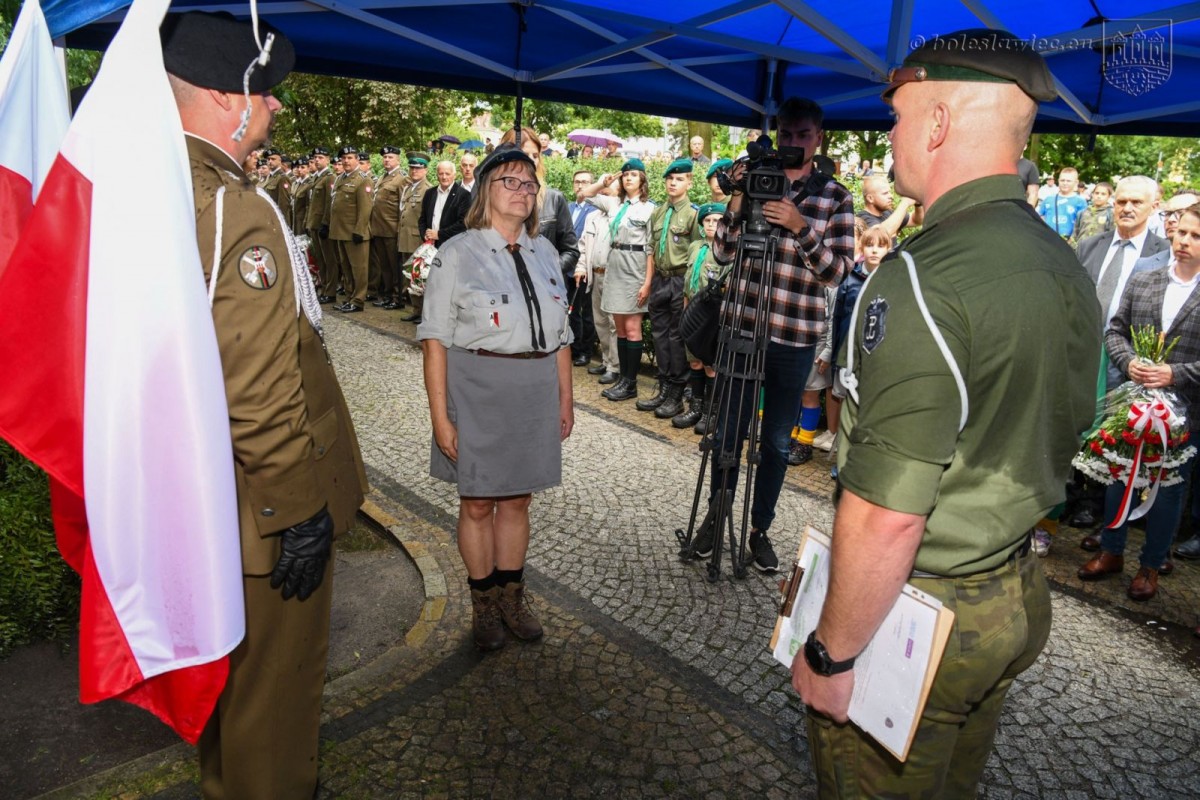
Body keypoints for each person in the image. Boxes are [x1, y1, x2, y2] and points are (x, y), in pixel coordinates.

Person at [791, 30, 1099, 798]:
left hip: (922, 612)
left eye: (897, 115)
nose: (888, 133)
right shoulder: (1062, 260)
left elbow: (888, 510)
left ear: (935, 123)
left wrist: (832, 653)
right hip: (1012, 595)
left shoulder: (926, 277)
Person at [162, 12, 367, 799]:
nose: (276, 108)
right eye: (267, 93)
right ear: (227, 95)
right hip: (258, 512)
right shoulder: (231, 209)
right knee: (273, 709)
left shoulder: (156, 185)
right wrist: (297, 510)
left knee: (230, 702)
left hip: (201, 488)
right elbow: (257, 381)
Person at [417, 144, 573, 651]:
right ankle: (483, 603)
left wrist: (565, 401)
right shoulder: (456, 254)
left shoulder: (545, 252)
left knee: (518, 499)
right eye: (511, 181)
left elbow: (563, 337)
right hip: (477, 388)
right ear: (486, 190)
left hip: (534, 391)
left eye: (530, 184)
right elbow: (435, 340)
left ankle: (512, 596)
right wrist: (441, 417)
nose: (524, 191)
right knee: (479, 502)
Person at [695, 96, 854, 572]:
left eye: (803, 136)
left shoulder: (835, 197)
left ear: (818, 137)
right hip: (742, 326)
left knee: (777, 443)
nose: (792, 144)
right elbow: (721, 252)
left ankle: (759, 529)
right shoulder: (757, 181)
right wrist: (741, 197)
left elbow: (837, 275)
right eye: (786, 134)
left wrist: (802, 227)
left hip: (795, 337)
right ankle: (715, 517)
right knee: (728, 432)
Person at [1078, 204, 1200, 600]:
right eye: (1181, 232)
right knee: (1121, 477)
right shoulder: (1144, 280)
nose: (1183, 241)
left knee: (1168, 491)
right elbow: (1115, 331)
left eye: (1195, 236)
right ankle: (1112, 551)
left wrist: (1175, 375)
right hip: (1135, 403)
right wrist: (1129, 363)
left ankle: (1150, 565)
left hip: (1185, 412)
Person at [501, 127, 583, 366]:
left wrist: (547, 270)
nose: (530, 160)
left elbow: (571, 250)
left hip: (546, 296)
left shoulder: (554, 199)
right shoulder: (493, 201)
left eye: (535, 155)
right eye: (523, 154)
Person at [577, 160, 656, 401]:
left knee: (632, 329)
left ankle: (631, 383)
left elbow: (651, 249)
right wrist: (604, 182)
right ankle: (623, 379)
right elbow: (583, 195)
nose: (628, 178)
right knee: (620, 329)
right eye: (626, 175)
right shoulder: (614, 203)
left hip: (635, 268)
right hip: (615, 267)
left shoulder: (649, 209)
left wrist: (647, 283)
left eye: (634, 175)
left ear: (642, 180)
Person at [639, 158, 703, 420]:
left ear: (689, 182)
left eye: (679, 179)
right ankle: (664, 387)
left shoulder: (694, 214)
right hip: (660, 280)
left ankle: (677, 393)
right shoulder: (658, 212)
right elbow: (651, 250)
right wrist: (647, 282)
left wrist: (690, 291)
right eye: (669, 179)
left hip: (680, 281)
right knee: (659, 335)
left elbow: (699, 254)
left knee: (677, 338)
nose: (673, 183)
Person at [672, 202, 726, 431]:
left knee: (709, 364)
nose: (712, 224)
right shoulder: (695, 246)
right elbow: (687, 282)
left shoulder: (726, 252)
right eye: (708, 220)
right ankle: (695, 407)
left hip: (711, 317)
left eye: (717, 220)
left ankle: (710, 413)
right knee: (694, 361)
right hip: (692, 313)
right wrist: (685, 312)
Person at [328, 145, 372, 312]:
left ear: (357, 160)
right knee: (346, 267)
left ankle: (358, 300)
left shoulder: (362, 179)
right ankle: (349, 297)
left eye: (350, 158)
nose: (346, 161)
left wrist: (359, 231)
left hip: (355, 233)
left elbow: (365, 208)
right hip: (340, 231)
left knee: (359, 269)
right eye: (343, 158)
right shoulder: (340, 178)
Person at [369, 146, 407, 309]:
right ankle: (387, 294)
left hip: (392, 229)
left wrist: (399, 229)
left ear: (398, 160)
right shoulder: (382, 177)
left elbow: (402, 205)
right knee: (384, 266)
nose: (386, 160)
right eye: (385, 157)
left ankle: (397, 297)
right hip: (379, 228)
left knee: (394, 265)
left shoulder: (401, 178)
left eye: (390, 157)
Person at [398, 151, 433, 320]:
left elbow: (427, 216)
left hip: (416, 238)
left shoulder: (427, 189)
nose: (414, 172)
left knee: (419, 275)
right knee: (409, 276)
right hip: (405, 236)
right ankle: (415, 310)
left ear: (425, 170)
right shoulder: (408, 187)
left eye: (418, 169)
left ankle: (423, 311)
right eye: (412, 168)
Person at [305, 146, 336, 303]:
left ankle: (330, 291)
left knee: (329, 259)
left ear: (328, 160)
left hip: (322, 225)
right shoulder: (317, 177)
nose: (317, 160)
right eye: (315, 158)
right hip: (314, 224)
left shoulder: (329, 178)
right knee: (320, 259)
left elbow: (329, 203)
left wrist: (326, 223)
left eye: (321, 158)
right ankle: (324, 287)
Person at [857, 173, 923, 247]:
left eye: (890, 192)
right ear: (870, 198)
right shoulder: (862, 218)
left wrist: (918, 204)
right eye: (885, 193)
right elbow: (879, 235)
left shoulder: (888, 213)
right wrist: (905, 203)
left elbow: (916, 220)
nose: (891, 196)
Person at [1037, 166, 1088, 237]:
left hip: (1070, 242)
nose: (1065, 183)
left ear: (1076, 182)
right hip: (1049, 239)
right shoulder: (1048, 199)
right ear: (1058, 181)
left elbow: (1083, 224)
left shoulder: (1080, 201)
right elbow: (1040, 217)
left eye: (1068, 181)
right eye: (1062, 180)